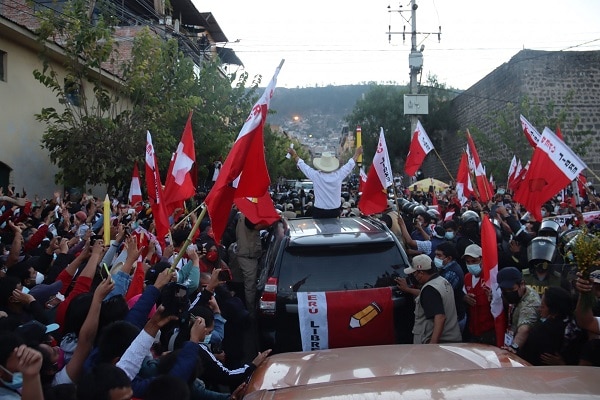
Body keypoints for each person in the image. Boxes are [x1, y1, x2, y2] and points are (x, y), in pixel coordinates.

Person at [400, 254, 461, 344]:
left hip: (437, 343)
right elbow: (427, 297)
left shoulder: (430, 289)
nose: (414, 276)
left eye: (414, 273)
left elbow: (440, 317)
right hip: (451, 341)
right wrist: (407, 289)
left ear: (421, 273)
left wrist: (432, 345)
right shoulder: (442, 281)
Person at [287, 147, 362, 218]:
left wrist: (294, 154)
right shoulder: (338, 175)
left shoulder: (316, 175)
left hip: (319, 211)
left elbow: (303, 165)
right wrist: (357, 153)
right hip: (335, 211)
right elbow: (349, 165)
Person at [497, 266, 541, 354]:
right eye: (504, 290)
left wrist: (514, 347)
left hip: (527, 348)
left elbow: (524, 329)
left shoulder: (531, 301)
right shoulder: (518, 294)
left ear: (522, 284)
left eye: (511, 289)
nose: (507, 293)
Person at [462, 244, 497, 345]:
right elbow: (463, 295)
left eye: (474, 261)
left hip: (489, 332)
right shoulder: (467, 278)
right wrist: (464, 298)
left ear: (482, 260)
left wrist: (493, 298)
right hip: (473, 330)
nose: (470, 265)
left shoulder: (491, 278)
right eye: (468, 262)